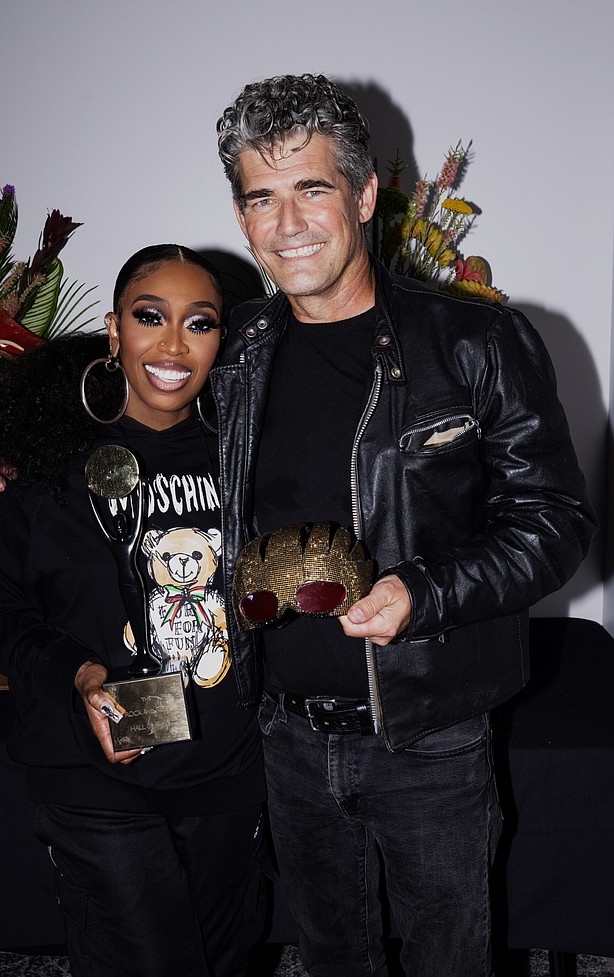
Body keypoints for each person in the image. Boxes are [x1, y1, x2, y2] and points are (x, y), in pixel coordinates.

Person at [210, 74, 597, 977]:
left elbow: (554, 522)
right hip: (284, 734)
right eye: (261, 198)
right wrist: (25, 461)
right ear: (240, 218)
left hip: (428, 735)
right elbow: (154, 441)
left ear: (366, 194)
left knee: (447, 960)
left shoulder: (476, 341)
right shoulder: (236, 353)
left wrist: (420, 593)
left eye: (312, 188)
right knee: (332, 957)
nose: (290, 222)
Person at [0, 245, 268, 977]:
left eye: (200, 323)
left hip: (225, 766)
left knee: (224, 959)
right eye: (149, 317)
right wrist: (78, 670)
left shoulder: (250, 456)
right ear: (112, 329)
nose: (172, 344)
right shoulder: (46, 461)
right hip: (92, 772)